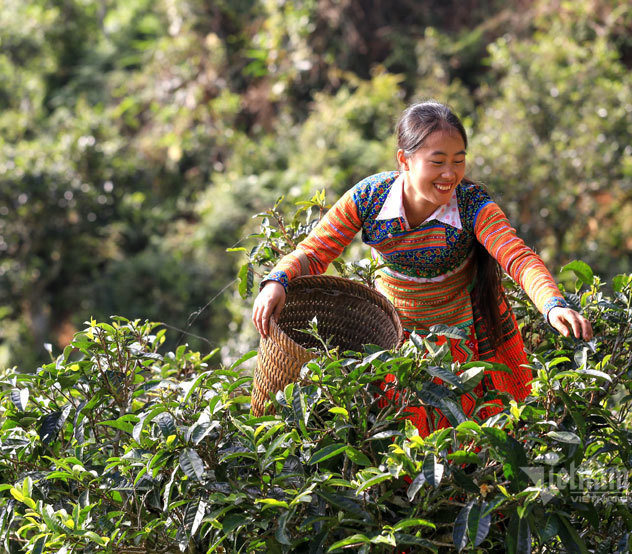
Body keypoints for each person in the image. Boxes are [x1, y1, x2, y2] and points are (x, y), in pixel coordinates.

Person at [252, 101, 593, 433]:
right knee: (401, 439)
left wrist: (551, 304)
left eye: (459, 161)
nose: (450, 174)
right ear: (405, 159)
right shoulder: (370, 197)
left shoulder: (472, 206)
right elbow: (315, 250)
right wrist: (277, 280)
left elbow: (516, 257)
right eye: (438, 162)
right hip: (396, 336)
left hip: (462, 335)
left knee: (471, 438)